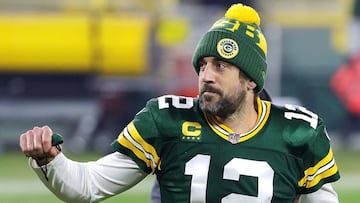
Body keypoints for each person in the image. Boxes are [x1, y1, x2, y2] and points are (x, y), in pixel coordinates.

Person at [20, 3, 340, 203]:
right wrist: (51, 161)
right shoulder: (165, 119)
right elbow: (86, 187)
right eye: (202, 65)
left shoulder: (299, 133)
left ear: (252, 79)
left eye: (220, 66)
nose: (206, 76)